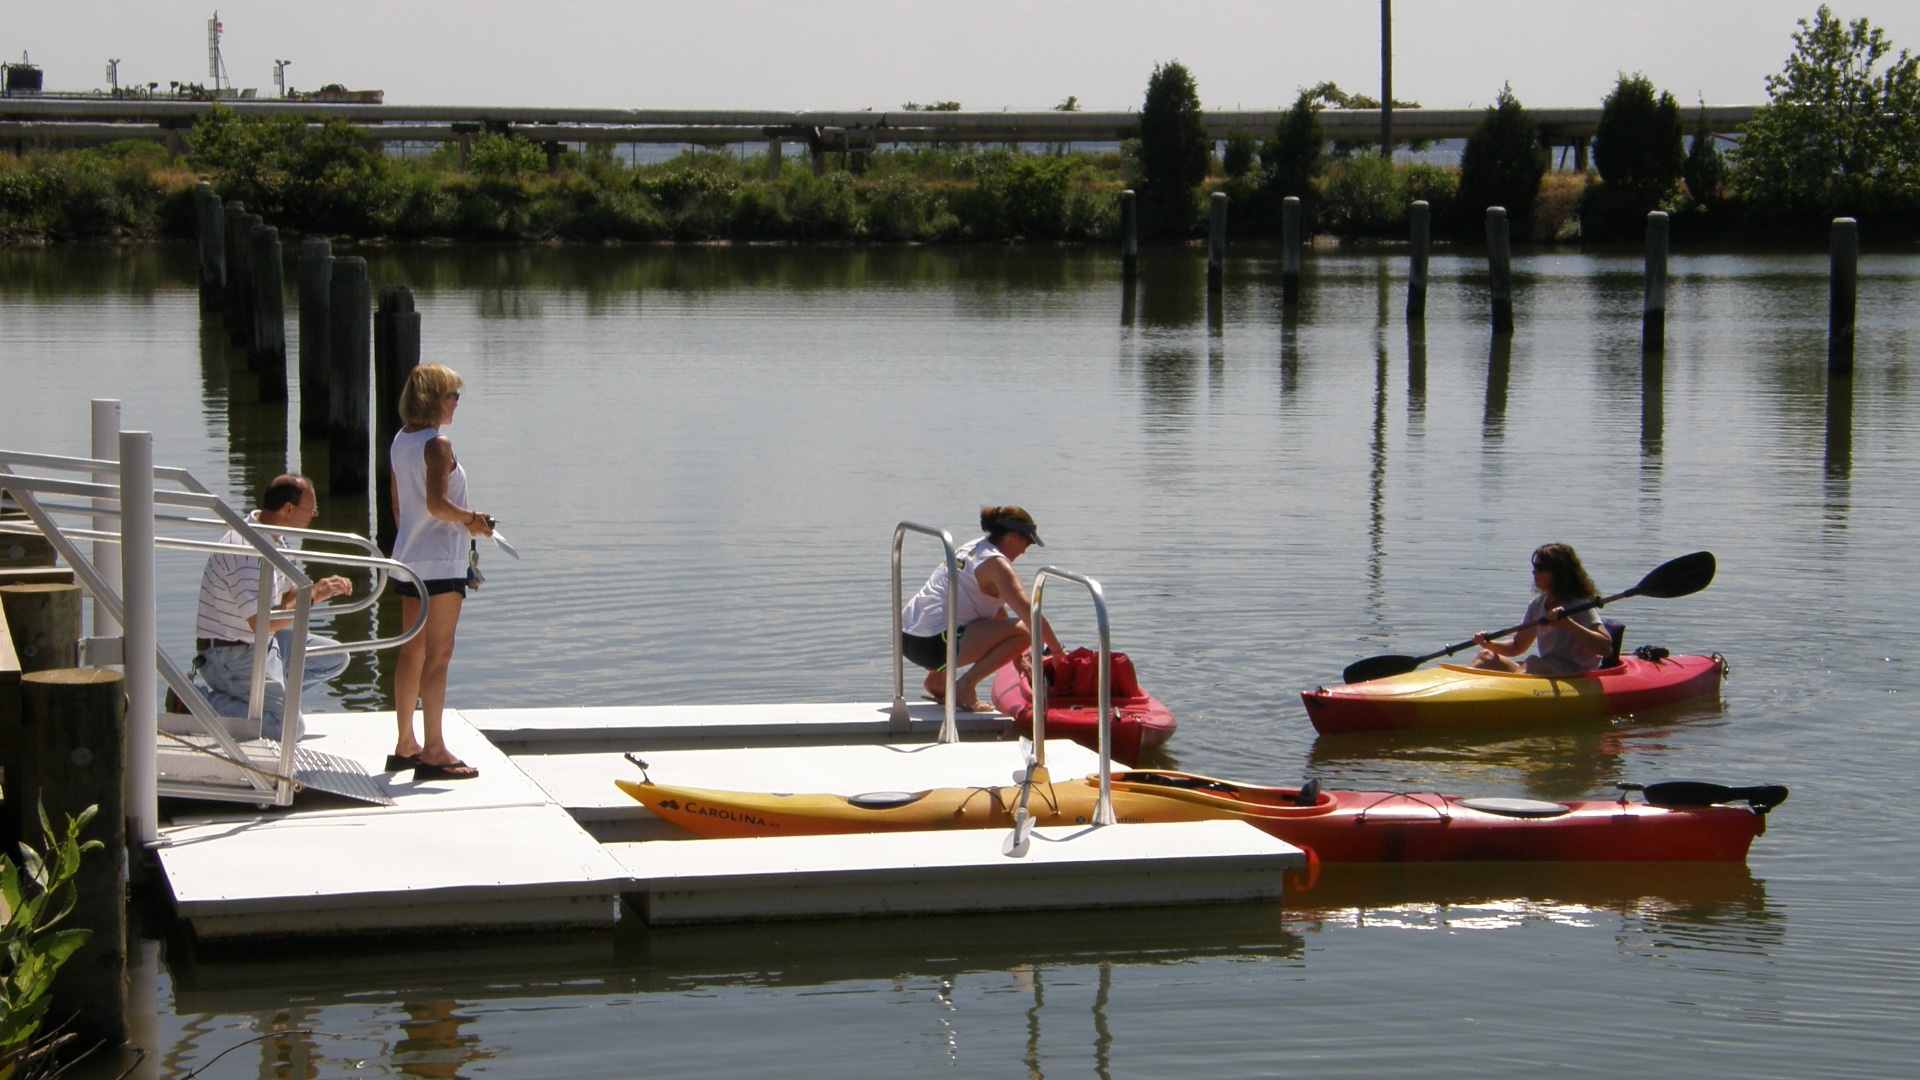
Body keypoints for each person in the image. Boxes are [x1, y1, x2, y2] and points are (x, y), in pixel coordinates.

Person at [388, 363, 492, 781]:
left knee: (411, 651)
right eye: (453, 395)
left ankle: (405, 743)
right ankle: (434, 750)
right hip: (440, 564)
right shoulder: (438, 444)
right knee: (439, 654)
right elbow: (436, 504)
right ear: (436, 398)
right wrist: (473, 520)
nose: (456, 403)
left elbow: (399, 505)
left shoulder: (401, 440)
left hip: (409, 557)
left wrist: (416, 536)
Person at [191, 474, 353, 740]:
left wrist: (317, 590)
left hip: (263, 644)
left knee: (336, 657)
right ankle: (195, 703)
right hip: (231, 654)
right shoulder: (246, 548)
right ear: (289, 509)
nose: (314, 516)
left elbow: (284, 601)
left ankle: (264, 705)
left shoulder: (274, 538)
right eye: (311, 510)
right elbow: (261, 623)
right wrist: (310, 600)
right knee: (288, 729)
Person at [899, 506, 1064, 712]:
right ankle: (965, 686)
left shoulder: (972, 547)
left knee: (966, 618)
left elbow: (996, 614)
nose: (1024, 551)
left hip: (906, 639)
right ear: (1013, 536)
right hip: (934, 645)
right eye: (1027, 542)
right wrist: (1057, 652)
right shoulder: (997, 564)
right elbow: (1031, 614)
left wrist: (1017, 659)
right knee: (1028, 631)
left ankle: (937, 682)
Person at [1469, 543, 1614, 675]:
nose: (1533, 573)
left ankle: (1508, 695)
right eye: (1534, 567)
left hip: (1574, 677)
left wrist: (1568, 623)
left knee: (1532, 663)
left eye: (1539, 568)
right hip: (1547, 671)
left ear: (1558, 573)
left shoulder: (1579, 604)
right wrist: (1489, 644)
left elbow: (1606, 649)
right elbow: (1517, 646)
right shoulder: (1537, 605)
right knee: (1486, 655)